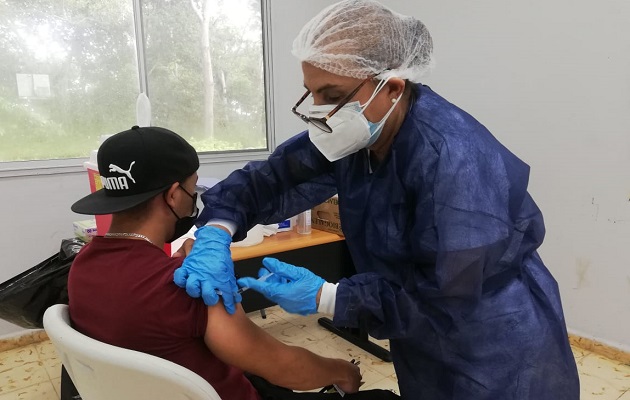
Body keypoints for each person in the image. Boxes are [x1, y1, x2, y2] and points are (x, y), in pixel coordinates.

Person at [173, 1, 581, 399]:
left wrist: (328, 297)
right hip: (418, 330)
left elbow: (446, 292)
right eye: (311, 93)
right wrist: (216, 231)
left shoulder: (452, 157)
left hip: (491, 337)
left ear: (391, 87)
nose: (322, 111)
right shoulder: (356, 132)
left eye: (331, 94)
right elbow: (274, 178)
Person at [68, 126, 399, 400]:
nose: (196, 198)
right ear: (172, 195)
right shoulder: (188, 286)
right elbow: (280, 365)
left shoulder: (81, 267)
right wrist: (344, 370)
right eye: (193, 187)